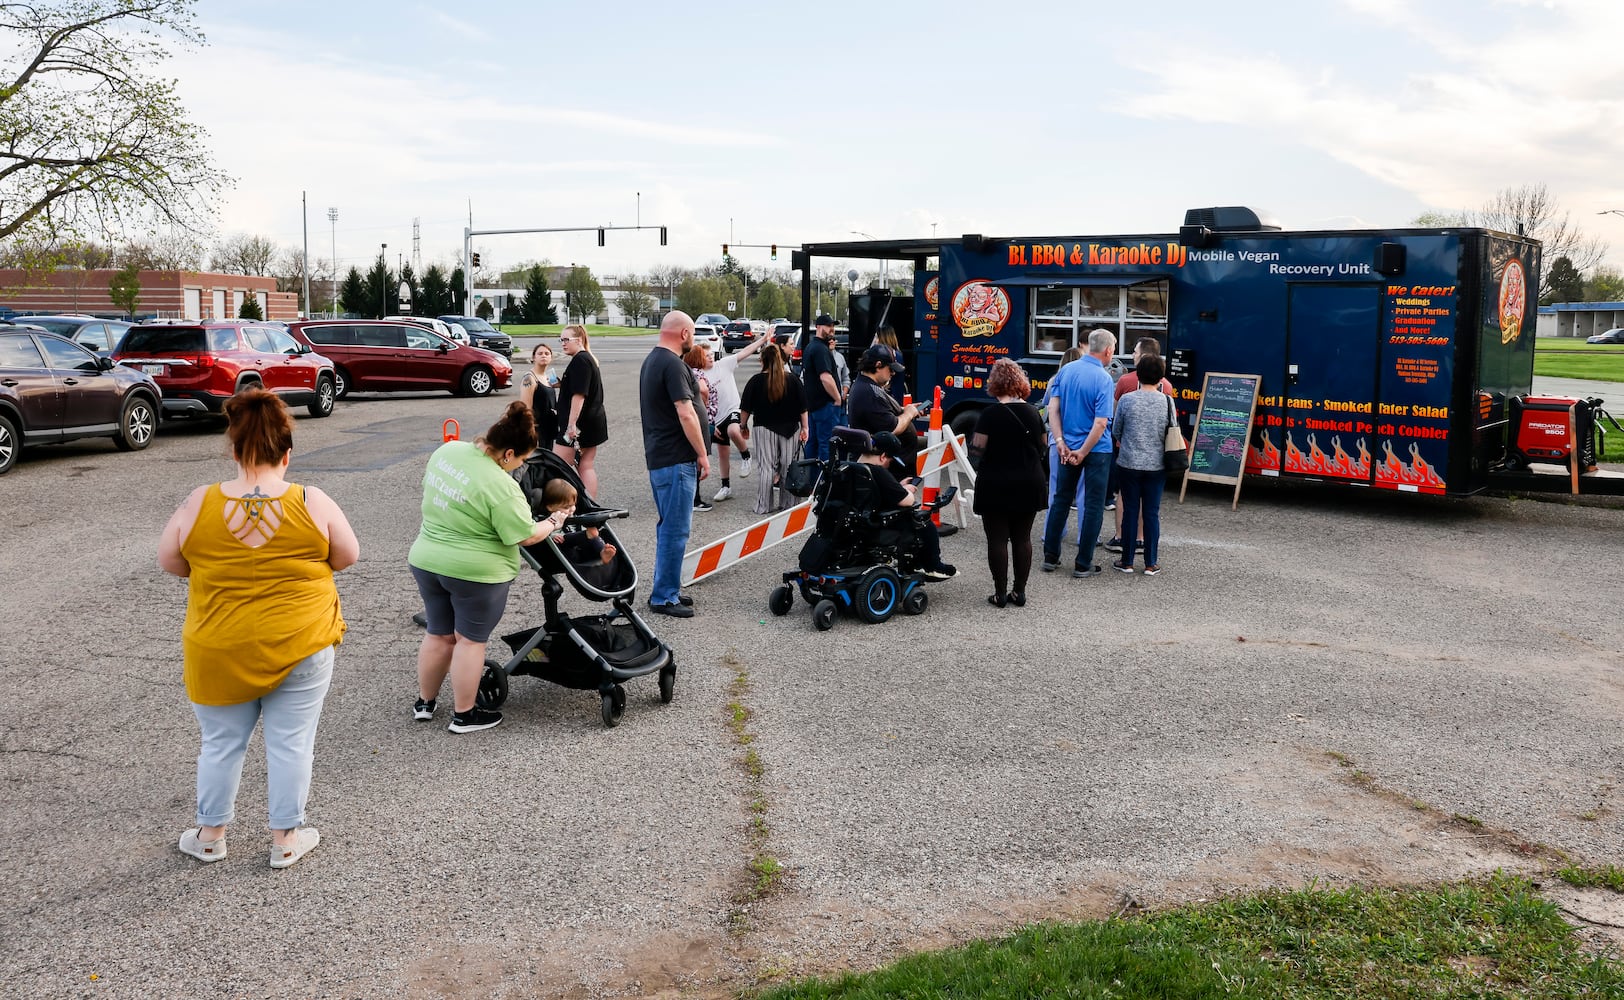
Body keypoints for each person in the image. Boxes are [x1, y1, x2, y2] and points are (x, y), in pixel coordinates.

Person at [158, 387, 359, 869]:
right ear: (287, 453)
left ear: (232, 449)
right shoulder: (314, 501)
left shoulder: (198, 501)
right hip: (300, 642)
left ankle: (210, 835)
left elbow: (172, 562)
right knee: (292, 742)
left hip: (218, 644)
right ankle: (285, 839)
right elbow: (346, 557)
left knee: (221, 742)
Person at [410, 402, 561, 734]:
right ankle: (465, 715)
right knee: (469, 641)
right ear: (508, 454)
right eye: (520, 461)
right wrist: (554, 521)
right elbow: (525, 534)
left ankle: (425, 703)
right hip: (473, 573)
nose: (518, 467)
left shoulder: (447, 453)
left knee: (438, 632)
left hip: (427, 560)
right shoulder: (501, 486)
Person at [640, 311, 710, 618]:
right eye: (692, 334)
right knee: (675, 530)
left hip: (663, 458)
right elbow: (685, 412)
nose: (693, 340)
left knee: (669, 527)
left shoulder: (653, 360)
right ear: (683, 334)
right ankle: (664, 596)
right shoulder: (672, 364)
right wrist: (702, 453)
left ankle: (667, 587)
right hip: (675, 460)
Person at [969, 359, 1048, 608]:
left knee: (997, 539)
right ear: (1020, 384)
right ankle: (1020, 592)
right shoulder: (1033, 413)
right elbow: (1044, 447)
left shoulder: (989, 414)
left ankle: (1000, 593)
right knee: (1023, 538)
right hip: (1029, 481)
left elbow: (976, 452)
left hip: (996, 483)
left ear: (995, 385)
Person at [1041, 328, 1116, 578]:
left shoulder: (1066, 370)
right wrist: (1083, 451)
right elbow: (1101, 423)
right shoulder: (1104, 378)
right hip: (1095, 450)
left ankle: (1050, 556)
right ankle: (1083, 563)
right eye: (1113, 348)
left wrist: (1060, 441)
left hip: (1066, 445)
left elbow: (1053, 409)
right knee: (1093, 505)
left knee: (1061, 499)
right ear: (1107, 350)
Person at [1105, 337, 1175, 558]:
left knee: (1127, 502)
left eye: (1134, 351)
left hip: (1128, 457)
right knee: (1152, 510)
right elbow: (1172, 428)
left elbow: (1115, 426)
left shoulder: (1125, 386)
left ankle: (1123, 550)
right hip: (1157, 461)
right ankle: (1149, 557)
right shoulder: (1168, 394)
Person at [854, 431, 955, 580]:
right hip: (877, 523)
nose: (889, 464)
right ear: (883, 457)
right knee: (923, 521)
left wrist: (897, 487)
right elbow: (906, 500)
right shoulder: (878, 472)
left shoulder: (852, 468)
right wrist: (905, 489)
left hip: (856, 520)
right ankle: (932, 565)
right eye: (890, 460)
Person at [739, 342, 808, 514]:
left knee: (766, 467)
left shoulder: (755, 381)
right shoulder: (792, 380)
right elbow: (803, 408)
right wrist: (805, 428)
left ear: (762, 360)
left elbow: (745, 408)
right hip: (791, 429)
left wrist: (743, 426)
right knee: (788, 466)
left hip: (764, 428)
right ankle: (789, 505)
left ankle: (764, 505)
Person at [699, 331, 769, 500]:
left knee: (733, 431)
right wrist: (710, 423)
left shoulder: (724, 364)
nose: (709, 357)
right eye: (705, 355)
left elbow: (746, 351)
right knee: (723, 453)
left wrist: (764, 339)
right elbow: (702, 403)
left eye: (710, 354)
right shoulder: (700, 376)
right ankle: (725, 486)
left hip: (733, 409)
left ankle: (746, 455)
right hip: (717, 418)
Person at [552, 324, 607, 500]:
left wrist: (571, 424)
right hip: (593, 422)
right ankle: (590, 508)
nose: (562, 343)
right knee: (586, 465)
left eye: (566, 340)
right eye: (561, 340)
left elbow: (579, 395)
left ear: (579, 340)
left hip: (580, 425)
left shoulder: (580, 361)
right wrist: (563, 384)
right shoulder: (587, 359)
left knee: (557, 467)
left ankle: (563, 507)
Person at [847, 344, 921, 473]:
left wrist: (903, 410)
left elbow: (880, 414)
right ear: (878, 365)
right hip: (886, 466)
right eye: (890, 369)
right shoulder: (870, 392)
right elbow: (892, 427)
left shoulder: (867, 387)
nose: (893, 373)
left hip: (889, 462)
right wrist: (908, 413)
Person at [538, 479, 618, 589]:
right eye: (566, 507)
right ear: (550, 507)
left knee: (594, 536)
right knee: (572, 538)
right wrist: (552, 536)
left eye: (573, 505)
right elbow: (541, 533)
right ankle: (588, 536)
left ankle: (603, 552)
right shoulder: (549, 520)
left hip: (584, 550)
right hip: (567, 552)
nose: (571, 509)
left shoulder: (573, 517)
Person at [1044, 345, 1086, 510]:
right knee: (1083, 488)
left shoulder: (1054, 380)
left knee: (1055, 486)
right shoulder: (1087, 380)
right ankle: (1085, 535)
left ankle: (1052, 531)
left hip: (1057, 438)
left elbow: (1047, 406)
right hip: (1082, 439)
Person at [801, 313, 843, 460]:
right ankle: (825, 481)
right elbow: (825, 377)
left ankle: (811, 479)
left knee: (813, 443)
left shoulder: (811, 347)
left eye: (833, 326)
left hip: (814, 405)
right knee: (826, 445)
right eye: (828, 326)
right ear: (818, 327)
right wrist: (838, 398)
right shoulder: (820, 349)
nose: (832, 329)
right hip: (825, 406)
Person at [683, 344, 716, 512]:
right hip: (702, 420)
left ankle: (691, 496)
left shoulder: (685, 372)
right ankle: (695, 498)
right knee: (697, 459)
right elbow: (703, 390)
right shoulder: (698, 373)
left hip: (696, 420)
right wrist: (705, 403)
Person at [518, 342, 558, 447]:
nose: (543, 355)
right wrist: (530, 432)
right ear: (533, 357)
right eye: (540, 353)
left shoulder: (549, 377)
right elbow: (526, 409)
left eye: (547, 353)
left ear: (551, 358)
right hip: (537, 431)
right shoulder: (529, 378)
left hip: (549, 430)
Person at [873, 324, 907, 403]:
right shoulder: (898, 355)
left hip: (888, 400)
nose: (875, 340)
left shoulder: (887, 355)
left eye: (877, 337)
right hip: (895, 399)